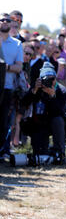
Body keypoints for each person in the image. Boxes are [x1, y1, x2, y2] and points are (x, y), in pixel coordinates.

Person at [20, 62, 66, 163]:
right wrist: (34, 90)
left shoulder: (61, 90)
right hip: (39, 123)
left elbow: (59, 112)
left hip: (54, 123)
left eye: (52, 79)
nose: (50, 82)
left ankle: (60, 152)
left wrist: (52, 96)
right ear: (40, 79)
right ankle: (45, 150)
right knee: (40, 154)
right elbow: (23, 102)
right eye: (47, 78)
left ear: (55, 78)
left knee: (58, 120)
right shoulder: (37, 88)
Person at [0, 13, 23, 159]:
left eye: (7, 20)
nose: (4, 22)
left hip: (7, 88)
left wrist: (4, 68)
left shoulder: (17, 44)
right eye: (1, 19)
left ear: (11, 24)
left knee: (3, 122)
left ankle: (1, 152)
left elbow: (19, 67)